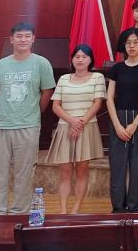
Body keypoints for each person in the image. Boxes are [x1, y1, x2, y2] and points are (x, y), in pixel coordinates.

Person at [0, 22, 56, 215]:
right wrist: (3, 112)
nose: (23, 39)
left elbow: (47, 93)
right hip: (0, 127)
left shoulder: (42, 64)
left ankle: (19, 213)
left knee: (24, 174)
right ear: (11, 39)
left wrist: (31, 112)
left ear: (33, 39)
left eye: (27, 36)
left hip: (28, 126)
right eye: (19, 36)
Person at [45, 44, 105, 214]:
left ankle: (76, 210)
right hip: (65, 127)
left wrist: (80, 123)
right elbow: (56, 106)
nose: (80, 60)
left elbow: (97, 103)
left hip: (86, 128)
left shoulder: (97, 77)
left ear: (90, 60)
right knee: (64, 172)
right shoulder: (64, 79)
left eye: (84, 57)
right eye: (77, 56)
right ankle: (63, 210)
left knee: (82, 170)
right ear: (72, 59)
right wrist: (72, 121)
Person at [106, 29, 138, 213]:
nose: (132, 46)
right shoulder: (117, 68)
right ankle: (118, 207)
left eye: (135, 42)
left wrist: (135, 124)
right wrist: (117, 125)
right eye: (128, 43)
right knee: (117, 165)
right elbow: (109, 98)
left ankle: (135, 208)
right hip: (118, 118)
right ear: (124, 45)